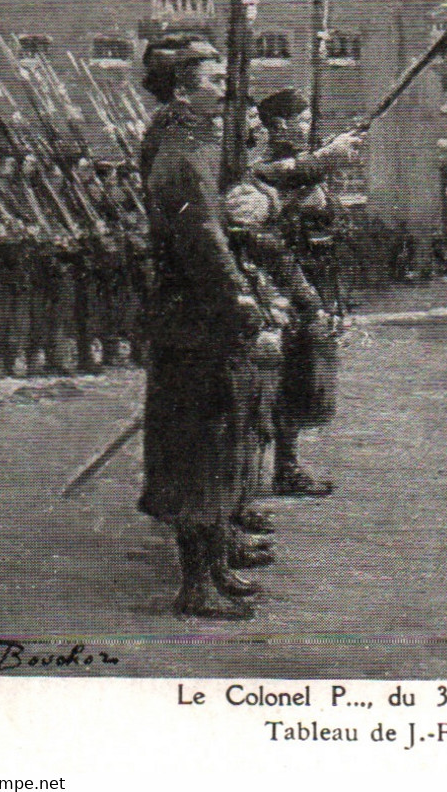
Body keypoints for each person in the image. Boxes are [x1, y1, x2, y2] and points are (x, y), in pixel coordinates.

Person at [138, 38, 263, 620]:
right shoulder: (182, 150)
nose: (225, 87)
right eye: (214, 79)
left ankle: (212, 567)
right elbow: (203, 238)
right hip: (195, 323)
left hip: (196, 319)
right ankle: (196, 585)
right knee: (200, 452)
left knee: (221, 446)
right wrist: (238, 296)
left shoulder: (192, 140)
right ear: (183, 90)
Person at [252, 87, 362, 498]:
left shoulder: (305, 165)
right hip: (284, 283)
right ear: (278, 124)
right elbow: (276, 175)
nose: (306, 126)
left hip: (311, 279)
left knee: (304, 378)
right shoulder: (267, 161)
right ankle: (270, 471)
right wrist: (325, 158)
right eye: (300, 120)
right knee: (280, 380)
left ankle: (286, 465)